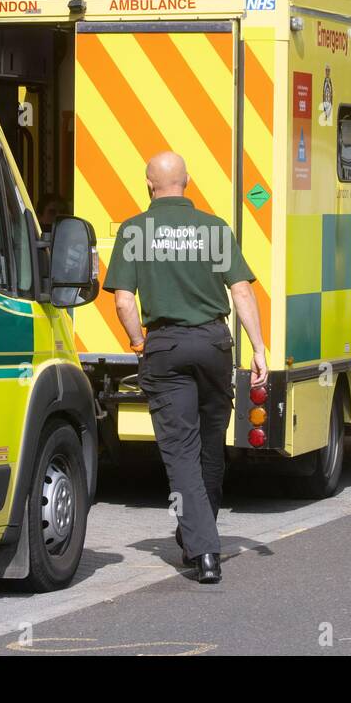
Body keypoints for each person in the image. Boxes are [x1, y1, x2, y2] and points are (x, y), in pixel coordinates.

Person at [103, 151, 267, 584]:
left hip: (166, 346)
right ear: (188, 181)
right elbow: (243, 293)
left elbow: (123, 301)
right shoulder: (214, 229)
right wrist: (260, 349)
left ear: (148, 184)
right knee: (211, 445)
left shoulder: (135, 230)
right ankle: (200, 531)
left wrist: (139, 341)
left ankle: (204, 549)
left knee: (180, 452)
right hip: (214, 345)